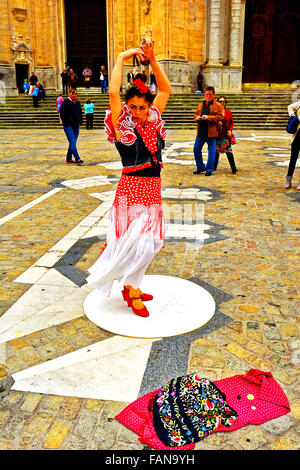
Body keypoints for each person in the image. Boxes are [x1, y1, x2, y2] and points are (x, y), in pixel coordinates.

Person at [86, 42, 171, 318]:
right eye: (132, 107)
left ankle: (132, 284)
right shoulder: (121, 124)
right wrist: (122, 56)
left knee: (151, 242)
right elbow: (112, 91)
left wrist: (153, 60)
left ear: (149, 106)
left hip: (152, 187)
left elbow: (166, 90)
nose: (137, 112)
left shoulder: (154, 117)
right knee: (135, 243)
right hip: (132, 189)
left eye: (142, 107)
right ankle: (131, 290)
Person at [193, 86, 223, 176]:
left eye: (210, 94)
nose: (208, 96)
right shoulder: (200, 105)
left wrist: (208, 117)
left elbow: (220, 116)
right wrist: (196, 118)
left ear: (213, 95)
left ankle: (209, 169)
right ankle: (200, 167)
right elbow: (195, 114)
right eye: (206, 94)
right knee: (196, 149)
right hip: (201, 131)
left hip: (212, 132)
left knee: (212, 151)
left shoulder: (218, 105)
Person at [59, 88, 84, 165]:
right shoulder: (65, 102)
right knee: (72, 141)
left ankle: (68, 159)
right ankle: (77, 158)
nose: (74, 95)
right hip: (68, 125)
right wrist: (66, 122)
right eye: (73, 93)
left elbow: (80, 113)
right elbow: (62, 114)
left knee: (72, 142)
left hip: (76, 125)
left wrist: (80, 121)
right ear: (69, 93)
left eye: (75, 94)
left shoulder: (77, 102)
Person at [214, 96, 238, 174]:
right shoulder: (215, 111)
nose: (222, 103)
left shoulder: (228, 112)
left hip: (225, 135)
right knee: (216, 152)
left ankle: (233, 168)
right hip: (217, 134)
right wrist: (217, 123)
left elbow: (231, 122)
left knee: (229, 151)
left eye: (223, 101)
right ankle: (214, 167)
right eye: (220, 101)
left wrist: (230, 131)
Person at [285, 100, 300, 190]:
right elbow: (290, 106)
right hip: (296, 137)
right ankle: (288, 179)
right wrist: (293, 115)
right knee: (293, 159)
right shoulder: (299, 104)